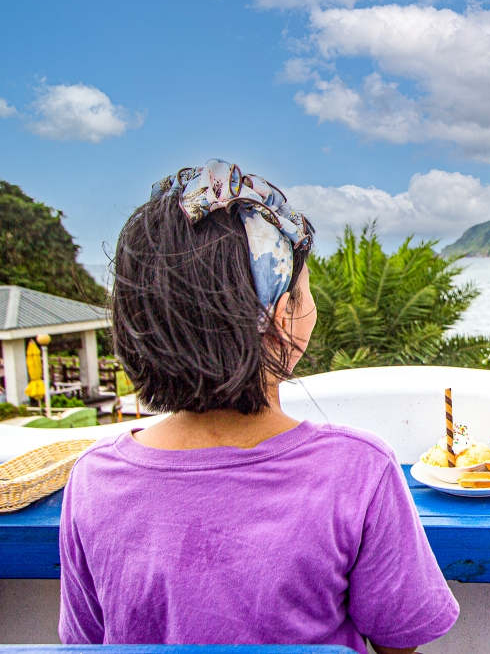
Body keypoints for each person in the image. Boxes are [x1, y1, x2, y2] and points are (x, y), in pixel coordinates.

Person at [59, 161, 458, 654]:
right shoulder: (357, 470)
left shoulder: (94, 479)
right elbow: (399, 642)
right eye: (306, 290)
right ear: (283, 316)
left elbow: (86, 643)